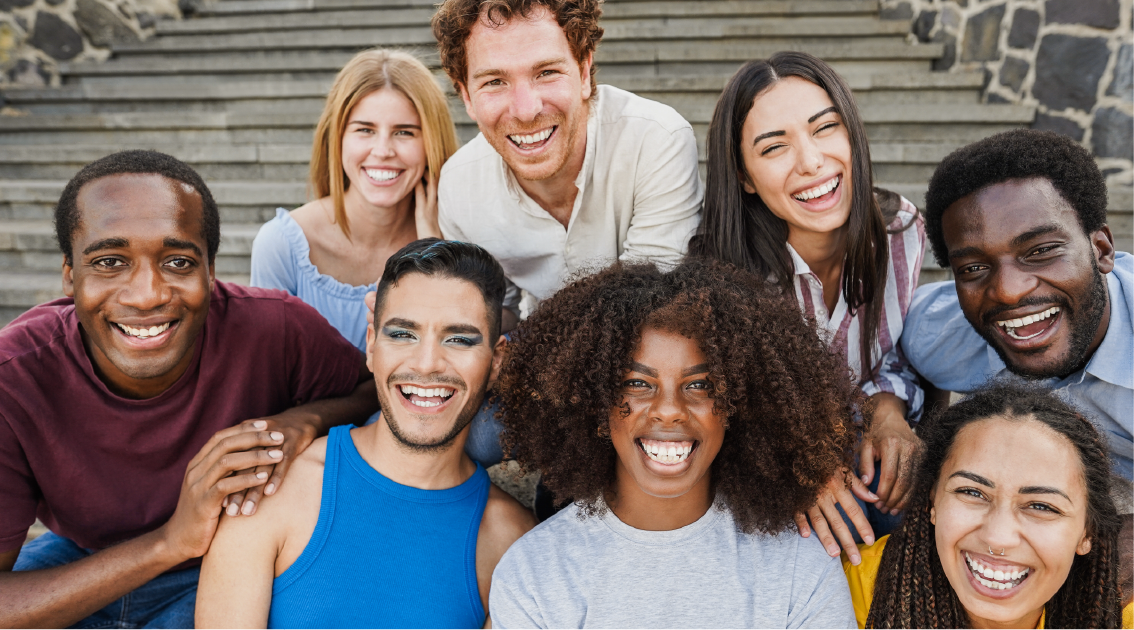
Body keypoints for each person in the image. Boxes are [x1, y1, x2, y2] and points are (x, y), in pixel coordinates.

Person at [0, 150, 378, 630]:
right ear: (70, 274)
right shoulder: (15, 376)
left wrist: (306, 419)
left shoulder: (274, 328)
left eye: (177, 261)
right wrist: (170, 541)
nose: (147, 294)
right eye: (109, 261)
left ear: (211, 269)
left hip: (225, 561)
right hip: (83, 559)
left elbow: (371, 392)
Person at [490, 258, 859, 628]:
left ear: (740, 405)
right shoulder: (534, 575)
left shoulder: (798, 567)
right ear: (593, 400)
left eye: (700, 385)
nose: (669, 411)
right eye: (637, 383)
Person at [197, 239, 536, 629]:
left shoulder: (511, 541)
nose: (426, 364)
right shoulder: (274, 489)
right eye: (403, 334)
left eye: (458, 339)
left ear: (496, 362)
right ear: (372, 346)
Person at [690, 51, 926, 564]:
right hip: (758, 466)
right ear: (746, 177)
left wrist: (888, 412)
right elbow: (716, 412)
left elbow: (889, 358)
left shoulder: (900, 231)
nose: (812, 161)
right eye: (774, 147)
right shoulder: (720, 274)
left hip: (856, 449)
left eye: (825, 129)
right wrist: (803, 464)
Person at [430, 0, 703, 325]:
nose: (526, 110)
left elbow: (643, 308)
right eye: (494, 82)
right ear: (466, 97)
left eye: (546, 73)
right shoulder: (460, 187)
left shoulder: (656, 139)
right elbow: (493, 314)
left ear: (584, 72)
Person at [899, 129, 1134, 483]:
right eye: (973, 268)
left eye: (1040, 251)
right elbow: (886, 345)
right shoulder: (940, 333)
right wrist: (893, 415)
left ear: (1100, 249)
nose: (1008, 292)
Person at [844, 382, 1130, 629]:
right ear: (932, 501)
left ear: (1086, 532)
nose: (997, 537)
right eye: (972, 492)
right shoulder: (855, 593)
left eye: (1042, 507)